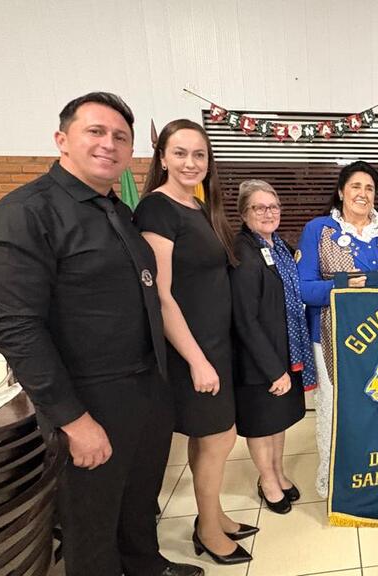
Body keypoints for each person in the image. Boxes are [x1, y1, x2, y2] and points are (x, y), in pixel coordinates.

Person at [0, 92, 202, 576]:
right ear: (62, 139)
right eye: (95, 132)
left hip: (146, 390)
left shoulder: (118, 211)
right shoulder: (25, 214)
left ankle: (146, 566)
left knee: (139, 501)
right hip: (88, 399)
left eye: (120, 137)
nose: (109, 144)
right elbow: (17, 330)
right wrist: (73, 420)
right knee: (91, 520)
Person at [133, 119, 253, 566]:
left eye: (199, 154)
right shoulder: (157, 209)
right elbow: (160, 295)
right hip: (192, 348)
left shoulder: (197, 208)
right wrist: (198, 360)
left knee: (213, 439)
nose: (190, 162)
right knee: (218, 436)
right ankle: (206, 528)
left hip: (215, 342)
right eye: (180, 153)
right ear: (162, 156)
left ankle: (214, 514)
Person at [297, 161, 378, 497]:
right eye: (356, 187)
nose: (363, 194)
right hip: (333, 334)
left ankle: (373, 469)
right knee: (335, 406)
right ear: (341, 192)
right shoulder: (319, 229)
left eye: (369, 188)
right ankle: (334, 478)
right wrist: (341, 290)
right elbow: (303, 287)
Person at [230, 180, 310, 515]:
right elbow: (244, 318)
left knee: (278, 422)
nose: (268, 213)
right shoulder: (241, 252)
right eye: (259, 208)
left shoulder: (277, 245)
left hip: (285, 350)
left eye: (273, 207)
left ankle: (277, 472)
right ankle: (266, 481)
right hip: (260, 360)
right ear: (244, 213)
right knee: (263, 424)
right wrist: (272, 368)